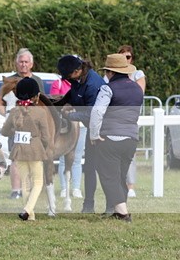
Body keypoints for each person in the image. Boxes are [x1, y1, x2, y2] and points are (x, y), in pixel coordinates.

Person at [89, 53, 144, 222]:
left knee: (108, 176)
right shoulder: (137, 88)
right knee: (120, 175)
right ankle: (118, 211)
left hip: (110, 138)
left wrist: (94, 134)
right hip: (131, 139)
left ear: (110, 72)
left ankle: (123, 213)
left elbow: (98, 111)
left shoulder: (108, 88)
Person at [54, 54, 105, 213]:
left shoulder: (92, 84)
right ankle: (88, 205)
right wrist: (54, 104)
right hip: (92, 129)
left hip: (102, 131)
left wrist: (69, 115)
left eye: (68, 76)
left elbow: (91, 114)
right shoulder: (78, 80)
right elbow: (70, 96)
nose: (67, 80)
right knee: (89, 168)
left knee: (102, 170)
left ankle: (111, 206)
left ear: (77, 70)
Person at [0, 77, 54, 221]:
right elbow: (46, 137)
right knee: (37, 182)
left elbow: (4, 132)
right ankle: (27, 210)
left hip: (19, 151)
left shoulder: (14, 112)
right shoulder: (41, 113)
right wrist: (43, 147)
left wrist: (15, 131)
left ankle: (31, 216)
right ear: (36, 97)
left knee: (25, 182)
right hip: (35, 150)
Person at [0, 48, 44, 199]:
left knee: (33, 158)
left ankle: (31, 189)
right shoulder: (9, 81)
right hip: (16, 127)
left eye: (26, 62)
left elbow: (42, 103)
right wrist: (8, 115)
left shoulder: (37, 81)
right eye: (21, 62)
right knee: (16, 157)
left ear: (31, 64)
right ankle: (16, 190)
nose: (23, 65)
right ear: (16, 63)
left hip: (34, 128)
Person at [50, 66, 84, 199]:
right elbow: (55, 102)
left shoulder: (81, 85)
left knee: (77, 157)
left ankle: (75, 188)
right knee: (64, 158)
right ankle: (64, 188)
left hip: (80, 122)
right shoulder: (57, 83)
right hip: (64, 123)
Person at [117, 45, 146, 198]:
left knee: (130, 153)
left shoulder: (137, 74)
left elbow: (138, 93)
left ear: (132, 58)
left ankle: (130, 186)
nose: (125, 60)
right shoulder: (111, 74)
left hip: (131, 119)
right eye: (122, 57)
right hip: (115, 120)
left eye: (128, 57)